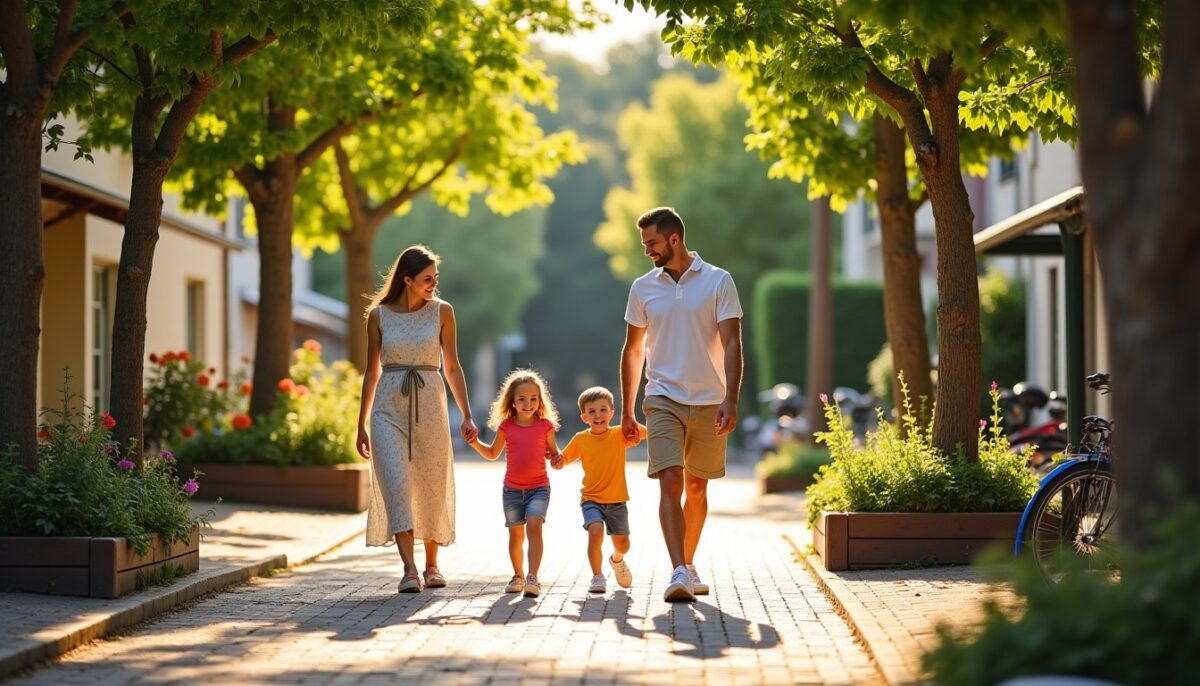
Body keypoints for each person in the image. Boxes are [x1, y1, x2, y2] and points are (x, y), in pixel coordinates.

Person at [620, 207, 743, 603]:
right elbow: (634, 349)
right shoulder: (643, 287)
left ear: (674, 239)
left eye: (652, 243)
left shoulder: (718, 281)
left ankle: (688, 565)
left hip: (710, 399)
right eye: (644, 244)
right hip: (662, 397)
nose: (647, 251)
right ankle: (676, 569)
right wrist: (626, 410)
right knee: (670, 480)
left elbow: (733, 343)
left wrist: (731, 398)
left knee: (697, 486)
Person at [356, 245, 478, 594]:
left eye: (435, 278)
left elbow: (452, 366)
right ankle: (409, 569)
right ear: (406, 280)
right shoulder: (379, 316)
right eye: (426, 279)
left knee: (430, 483)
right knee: (395, 484)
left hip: (430, 405)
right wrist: (360, 423)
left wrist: (467, 414)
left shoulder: (443, 312)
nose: (433, 284)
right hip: (387, 408)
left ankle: (432, 565)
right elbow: (370, 371)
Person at [467, 368, 562, 598]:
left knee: (534, 525)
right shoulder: (506, 427)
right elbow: (492, 453)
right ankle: (518, 575)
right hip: (511, 491)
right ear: (512, 401)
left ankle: (533, 577)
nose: (528, 403)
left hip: (539, 488)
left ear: (539, 401)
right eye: (522, 399)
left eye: (533, 399)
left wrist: (557, 458)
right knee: (516, 536)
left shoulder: (545, 426)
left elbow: (554, 453)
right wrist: (474, 443)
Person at [555, 386, 646, 594]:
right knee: (595, 532)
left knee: (623, 544)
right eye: (592, 411)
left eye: (603, 409)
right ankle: (597, 576)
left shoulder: (619, 433)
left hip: (617, 500)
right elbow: (564, 458)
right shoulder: (580, 439)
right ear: (584, 417)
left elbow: (648, 432)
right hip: (591, 499)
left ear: (612, 412)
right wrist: (556, 459)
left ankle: (616, 559)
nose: (598, 415)